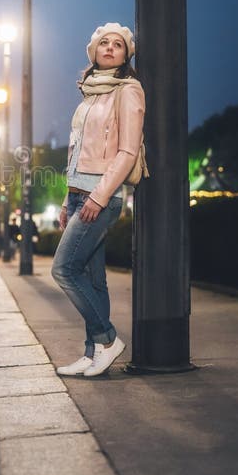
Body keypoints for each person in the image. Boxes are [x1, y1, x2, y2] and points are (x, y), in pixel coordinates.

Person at [51, 23, 145, 378]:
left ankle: (107, 339)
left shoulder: (128, 90)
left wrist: (99, 196)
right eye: (103, 43)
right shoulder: (89, 95)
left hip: (99, 196)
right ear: (93, 52)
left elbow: (127, 151)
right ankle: (93, 355)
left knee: (63, 269)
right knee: (93, 280)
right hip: (77, 194)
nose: (109, 47)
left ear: (125, 54)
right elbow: (75, 152)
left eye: (117, 44)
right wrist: (66, 200)